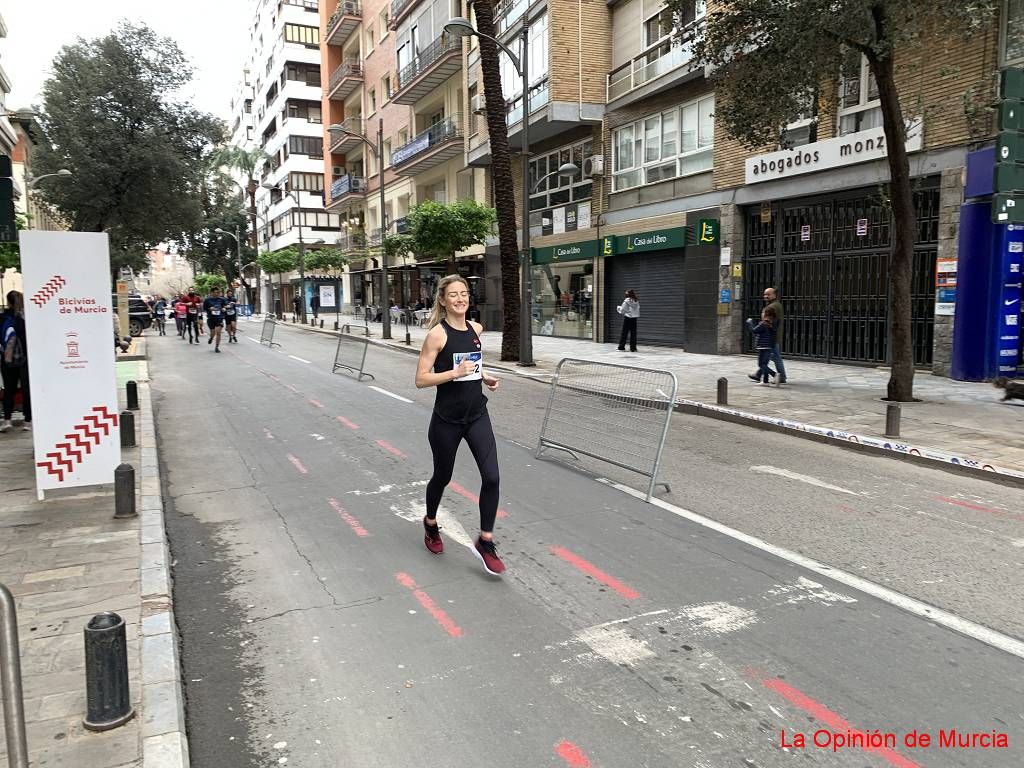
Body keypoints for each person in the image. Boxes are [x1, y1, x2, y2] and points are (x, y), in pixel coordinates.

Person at [415, 275, 505, 576]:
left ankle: (486, 540)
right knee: (442, 477)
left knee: (492, 477)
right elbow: (421, 379)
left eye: (464, 293)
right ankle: (430, 523)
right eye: (453, 294)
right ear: (443, 300)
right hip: (446, 420)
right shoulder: (437, 336)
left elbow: (472, 366)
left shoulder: (476, 329)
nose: (460, 298)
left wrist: (485, 376)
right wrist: (454, 372)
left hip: (477, 415)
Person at [0, 291, 31, 432]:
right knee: (26, 390)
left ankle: (7, 420)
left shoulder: (3, 317)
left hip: (7, 358)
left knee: (9, 390)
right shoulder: (27, 317)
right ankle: (27, 421)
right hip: (25, 358)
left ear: (8, 301)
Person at [756, 287, 787, 384]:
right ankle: (759, 374)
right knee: (770, 357)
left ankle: (780, 376)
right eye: (765, 294)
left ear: (774, 295)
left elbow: (766, 322)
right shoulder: (776, 305)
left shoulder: (772, 307)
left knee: (774, 357)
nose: (766, 296)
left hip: (770, 337)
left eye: (768, 294)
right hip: (772, 337)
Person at [746, 307, 779, 386]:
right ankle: (765, 381)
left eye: (763, 312)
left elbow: (754, 331)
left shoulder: (763, 324)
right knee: (764, 364)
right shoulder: (771, 323)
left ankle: (774, 374)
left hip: (763, 347)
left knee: (761, 364)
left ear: (766, 314)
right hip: (769, 346)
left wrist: (750, 322)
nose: (762, 314)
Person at [202, 286, 229, 352]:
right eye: (215, 292)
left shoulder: (222, 299)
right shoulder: (207, 300)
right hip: (211, 318)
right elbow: (204, 308)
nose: (217, 294)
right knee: (213, 333)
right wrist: (209, 309)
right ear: (211, 293)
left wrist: (224, 308)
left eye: (218, 292)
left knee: (218, 333)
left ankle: (217, 347)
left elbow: (226, 306)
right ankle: (211, 338)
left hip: (219, 318)